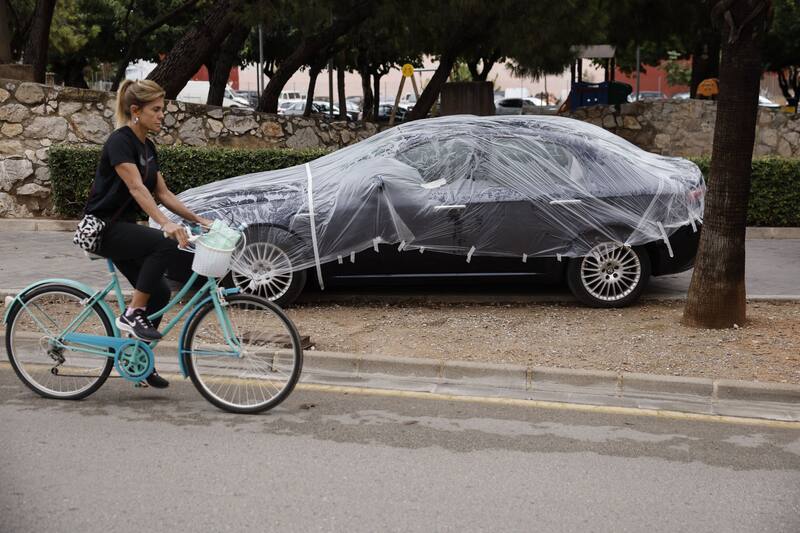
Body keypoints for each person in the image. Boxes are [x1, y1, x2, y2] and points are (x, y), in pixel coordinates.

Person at [83, 79, 212, 388]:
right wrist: (165, 224)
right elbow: (136, 188)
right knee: (163, 243)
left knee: (161, 292)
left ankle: (138, 360)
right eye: (156, 109)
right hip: (103, 227)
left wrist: (198, 219)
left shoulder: (147, 147)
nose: (161, 115)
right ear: (135, 111)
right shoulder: (120, 142)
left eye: (162, 109)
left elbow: (163, 193)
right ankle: (132, 313)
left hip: (123, 228)